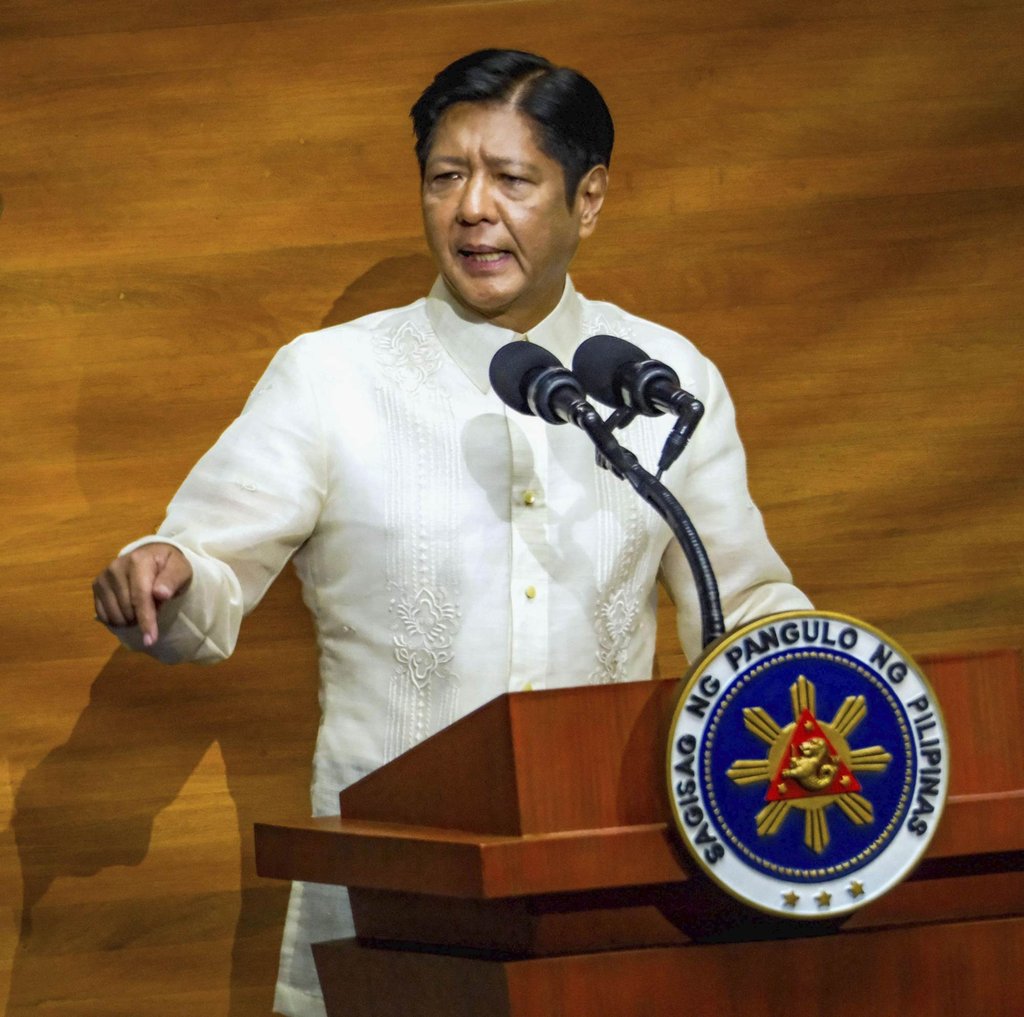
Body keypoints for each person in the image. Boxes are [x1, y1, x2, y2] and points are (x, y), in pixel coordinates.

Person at [93, 49, 811, 1017]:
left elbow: (747, 601)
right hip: (391, 882)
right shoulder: (332, 377)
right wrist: (166, 575)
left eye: (511, 179)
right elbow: (208, 569)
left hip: (603, 878)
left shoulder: (662, 379)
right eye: (444, 177)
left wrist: (823, 691)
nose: (472, 208)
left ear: (587, 198)